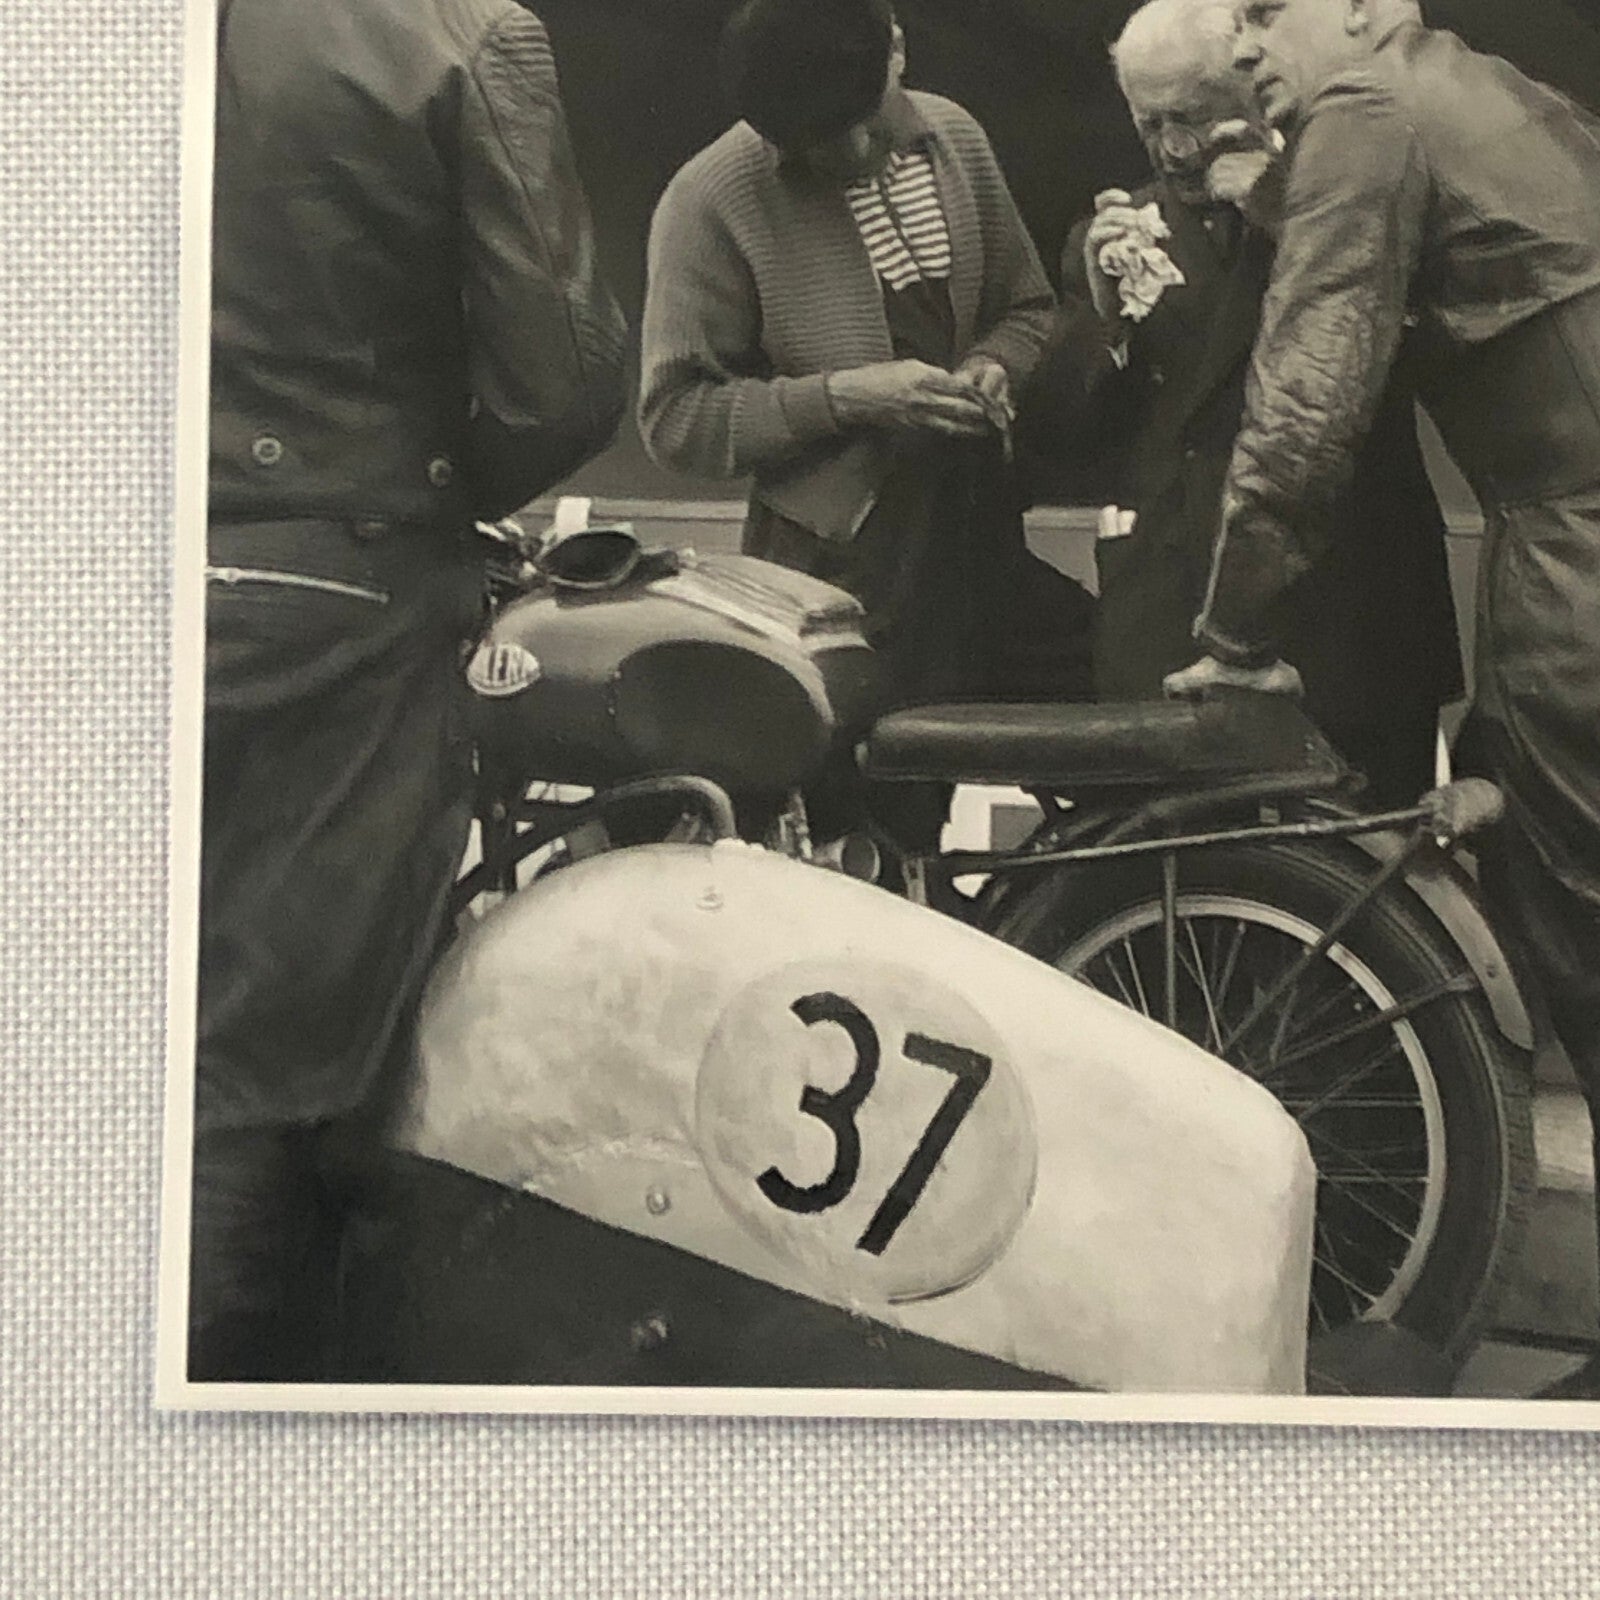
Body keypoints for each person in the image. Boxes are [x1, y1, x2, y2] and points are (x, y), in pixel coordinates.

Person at [1163, 0, 1600, 1392]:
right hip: (1568, 528)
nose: (1245, 49)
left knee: (1575, 917)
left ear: (1358, 10)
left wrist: (1231, 627)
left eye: (1265, 14)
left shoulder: (1367, 113)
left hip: (1578, 546)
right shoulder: (1479, 89)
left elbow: (1306, 406)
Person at [196, 0, 627, 1380]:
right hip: (345, 579)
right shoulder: (457, 32)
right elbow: (562, 378)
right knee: (265, 1080)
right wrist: (422, 493)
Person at [638, 0, 1094, 852]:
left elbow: (1029, 309)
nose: (851, 154)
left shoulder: (956, 138)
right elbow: (675, 420)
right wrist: (852, 398)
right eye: (816, 139)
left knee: (1111, 726)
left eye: (861, 119)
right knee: (856, 827)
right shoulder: (710, 199)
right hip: (838, 583)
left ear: (896, 49)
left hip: (979, 544)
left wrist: (998, 364)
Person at [1017, 0, 1460, 809]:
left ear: (1253, 83)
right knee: (1177, 889)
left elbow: (1424, 351)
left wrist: (1284, 207)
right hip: (1173, 614)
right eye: (1149, 124)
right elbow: (1056, 439)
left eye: (1191, 116)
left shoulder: (1352, 191)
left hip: (1352, 611)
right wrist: (1105, 324)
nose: (1174, 149)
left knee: (1369, 884)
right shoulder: (1117, 231)